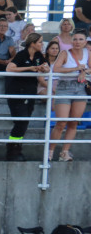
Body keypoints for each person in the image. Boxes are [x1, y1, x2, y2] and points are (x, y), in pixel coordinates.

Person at [4, 33, 49, 162]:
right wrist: (30, 68)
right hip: (17, 91)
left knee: (25, 121)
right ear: (32, 43)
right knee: (21, 121)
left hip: (30, 91)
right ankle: (13, 148)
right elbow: (10, 68)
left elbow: (47, 67)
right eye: (40, 42)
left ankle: (16, 146)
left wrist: (43, 68)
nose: (42, 44)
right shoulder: (21, 55)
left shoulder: (39, 55)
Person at [48, 29, 89, 162]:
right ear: (71, 40)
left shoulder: (88, 52)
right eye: (75, 39)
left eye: (80, 39)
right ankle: (50, 151)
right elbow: (56, 68)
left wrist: (84, 70)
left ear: (85, 41)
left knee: (73, 122)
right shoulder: (65, 53)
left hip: (80, 87)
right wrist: (76, 69)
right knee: (61, 122)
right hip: (64, 87)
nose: (77, 42)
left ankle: (64, 152)